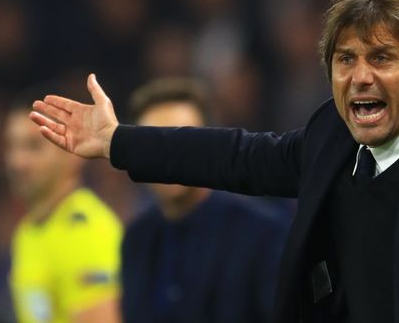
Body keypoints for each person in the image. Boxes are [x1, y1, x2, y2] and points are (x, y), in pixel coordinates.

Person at [31, 0, 399, 322]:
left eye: (382, 58)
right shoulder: (332, 142)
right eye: (345, 60)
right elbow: (238, 157)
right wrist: (118, 141)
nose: (360, 77)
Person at [121, 78, 289, 323]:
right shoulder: (137, 238)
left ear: (208, 148)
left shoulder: (263, 232)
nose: (168, 158)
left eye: (183, 143)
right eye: (152, 145)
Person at [5, 98, 122, 323]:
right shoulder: (28, 231)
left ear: (72, 152)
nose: (17, 161)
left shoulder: (88, 234)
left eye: (33, 146)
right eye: (12, 146)